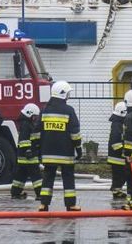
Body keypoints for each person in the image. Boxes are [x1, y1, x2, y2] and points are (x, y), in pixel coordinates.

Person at [38, 80, 82, 212]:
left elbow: (37, 131)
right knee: (68, 179)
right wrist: (78, 148)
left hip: (48, 153)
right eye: (68, 93)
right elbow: (75, 133)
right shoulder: (69, 110)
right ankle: (70, 205)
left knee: (47, 179)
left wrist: (37, 149)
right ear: (63, 94)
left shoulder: (45, 110)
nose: (69, 95)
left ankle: (43, 204)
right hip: (65, 154)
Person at [10, 102, 42, 200]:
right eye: (35, 117)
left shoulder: (26, 124)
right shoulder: (26, 125)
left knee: (20, 176)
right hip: (29, 157)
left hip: (22, 157)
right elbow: (24, 140)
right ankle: (40, 194)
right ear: (30, 114)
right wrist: (29, 150)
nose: (36, 119)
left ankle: (15, 193)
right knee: (36, 177)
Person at [107, 100, 128, 202]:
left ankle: (117, 190)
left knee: (119, 174)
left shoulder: (118, 123)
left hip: (116, 155)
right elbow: (115, 141)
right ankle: (116, 191)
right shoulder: (117, 125)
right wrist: (122, 151)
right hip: (117, 156)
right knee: (121, 174)